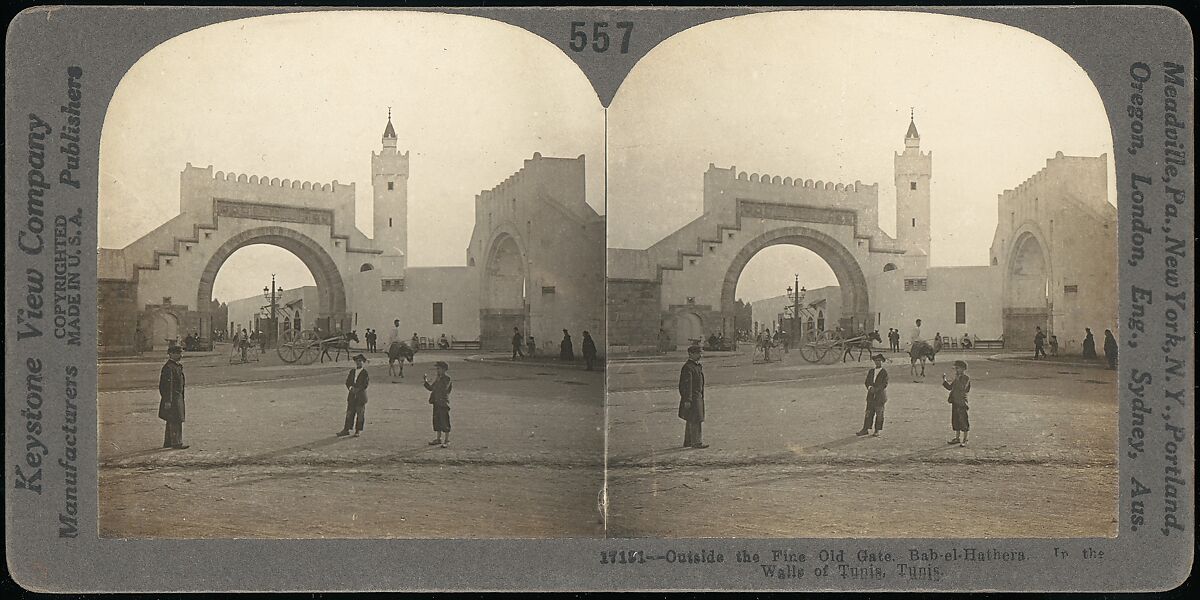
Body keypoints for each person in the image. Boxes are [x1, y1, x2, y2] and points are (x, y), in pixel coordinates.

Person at [158, 345, 188, 449]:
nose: (181, 355)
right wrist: (167, 400)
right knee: (176, 420)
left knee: (172, 419)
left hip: (177, 397)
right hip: (173, 398)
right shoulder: (169, 367)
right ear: (171, 354)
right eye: (178, 353)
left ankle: (168, 442)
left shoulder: (175, 366)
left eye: (180, 353)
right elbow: (166, 386)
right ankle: (176, 443)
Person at [678, 344, 708, 449]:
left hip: (697, 396)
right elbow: (686, 385)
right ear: (691, 354)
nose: (700, 355)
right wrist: (687, 399)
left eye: (700, 353)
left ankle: (688, 441)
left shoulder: (695, 366)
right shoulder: (688, 367)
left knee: (691, 419)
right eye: (697, 353)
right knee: (696, 419)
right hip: (693, 397)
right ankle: (697, 442)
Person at [336, 354, 370, 437]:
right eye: (357, 361)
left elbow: (365, 384)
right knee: (349, 412)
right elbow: (348, 382)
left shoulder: (365, 373)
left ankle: (358, 430)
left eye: (360, 361)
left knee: (360, 413)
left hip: (360, 396)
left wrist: (357, 390)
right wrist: (350, 387)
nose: (358, 363)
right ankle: (346, 429)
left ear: (363, 362)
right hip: (351, 395)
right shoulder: (352, 371)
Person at [856, 353, 889, 437]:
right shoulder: (871, 371)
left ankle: (877, 430)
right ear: (874, 362)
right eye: (876, 361)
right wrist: (870, 387)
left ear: (882, 361)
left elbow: (884, 384)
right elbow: (867, 382)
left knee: (879, 413)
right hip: (871, 395)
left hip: (880, 396)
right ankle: (865, 429)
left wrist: (876, 389)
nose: (878, 362)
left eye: (879, 361)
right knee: (868, 412)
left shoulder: (884, 372)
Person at [424, 361, 453, 448]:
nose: (437, 370)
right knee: (437, 421)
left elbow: (444, 389)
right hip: (436, 402)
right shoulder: (438, 378)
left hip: (443, 402)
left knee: (445, 421)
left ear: (444, 369)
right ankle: (438, 439)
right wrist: (425, 381)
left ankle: (447, 440)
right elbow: (431, 388)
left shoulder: (447, 378)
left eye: (439, 369)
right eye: (437, 369)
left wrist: (438, 380)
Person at [944, 359, 972, 447]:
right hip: (955, 401)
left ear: (963, 369)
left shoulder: (965, 378)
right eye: (956, 368)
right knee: (955, 420)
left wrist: (957, 378)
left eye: (958, 368)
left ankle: (965, 439)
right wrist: (944, 380)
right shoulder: (957, 377)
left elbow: (963, 388)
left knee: (963, 420)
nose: (956, 370)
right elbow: (950, 387)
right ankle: (957, 438)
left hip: (962, 402)